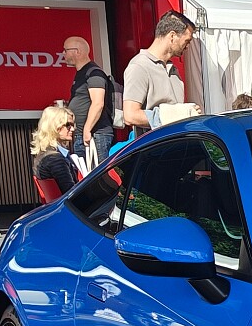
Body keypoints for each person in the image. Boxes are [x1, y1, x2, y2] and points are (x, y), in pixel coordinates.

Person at [122, 10, 198, 132]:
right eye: (187, 41)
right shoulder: (139, 66)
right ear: (172, 36)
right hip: (155, 143)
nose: (188, 46)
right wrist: (176, 115)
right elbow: (130, 116)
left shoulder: (173, 69)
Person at [61, 36, 114, 165]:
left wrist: (87, 129)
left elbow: (98, 103)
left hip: (95, 136)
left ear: (77, 51)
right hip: (84, 135)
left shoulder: (94, 73)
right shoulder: (81, 73)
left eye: (66, 50)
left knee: (98, 174)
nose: (63, 53)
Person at [29, 105, 81, 194]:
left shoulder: (44, 154)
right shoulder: (55, 158)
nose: (73, 129)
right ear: (54, 127)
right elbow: (70, 193)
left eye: (73, 125)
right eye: (68, 125)